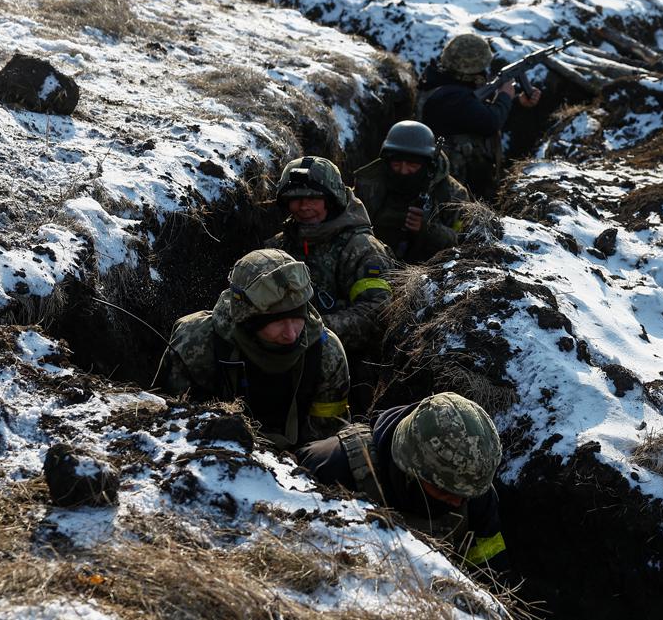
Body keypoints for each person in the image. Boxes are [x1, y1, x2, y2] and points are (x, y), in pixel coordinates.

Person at [295, 392, 509, 572]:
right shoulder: (330, 467)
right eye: (444, 491)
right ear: (409, 470)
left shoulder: (470, 488)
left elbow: (492, 575)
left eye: (467, 495)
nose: (457, 502)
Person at [160, 249, 350, 449]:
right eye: (277, 322)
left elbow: (327, 437)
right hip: (213, 455)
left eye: (297, 318)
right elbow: (171, 428)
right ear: (248, 320)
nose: (291, 334)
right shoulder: (195, 343)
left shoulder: (326, 352)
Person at [267, 156, 394, 354]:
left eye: (313, 198)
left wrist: (313, 330)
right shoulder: (277, 246)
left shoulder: (361, 249)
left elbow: (378, 311)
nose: (303, 207)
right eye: (295, 199)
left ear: (332, 200)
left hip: (348, 360)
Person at [418, 33, 541, 199]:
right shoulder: (453, 97)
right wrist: (505, 96)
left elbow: (477, 113)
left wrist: (517, 101)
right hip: (452, 190)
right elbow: (490, 122)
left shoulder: (443, 85)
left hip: (456, 181)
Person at [352, 121, 470, 264]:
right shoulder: (369, 183)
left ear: (427, 164)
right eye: (396, 164)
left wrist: (428, 229)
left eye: (412, 165)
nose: (403, 171)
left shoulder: (453, 194)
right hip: (373, 261)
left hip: (429, 271)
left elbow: (465, 241)